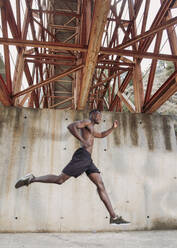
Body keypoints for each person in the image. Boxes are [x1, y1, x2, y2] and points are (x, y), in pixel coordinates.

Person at [15, 109, 130, 225]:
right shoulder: (87, 122)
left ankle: (113, 217)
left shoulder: (92, 128)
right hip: (83, 156)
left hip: (88, 160)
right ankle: (31, 179)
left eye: (101, 116)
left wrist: (112, 128)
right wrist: (82, 140)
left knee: (100, 185)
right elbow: (71, 126)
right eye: (98, 115)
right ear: (93, 115)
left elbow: (100, 135)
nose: (100, 117)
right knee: (60, 180)